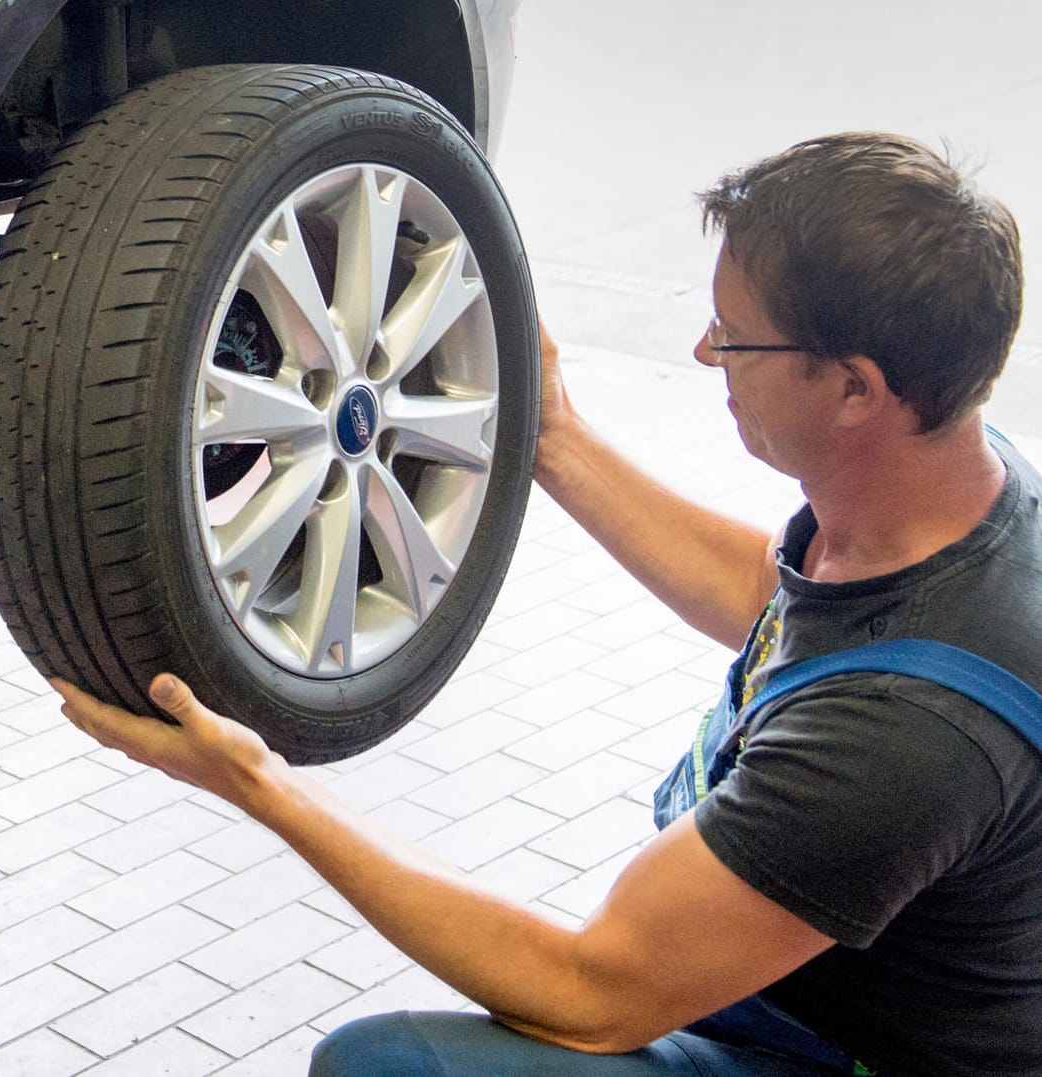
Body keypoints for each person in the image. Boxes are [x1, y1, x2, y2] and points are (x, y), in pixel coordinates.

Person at [51, 132, 1041, 1077]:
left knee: (380, 1066)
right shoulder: (954, 487)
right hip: (808, 981)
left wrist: (261, 784)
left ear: (857, 391)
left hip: (834, 1050)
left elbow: (589, 989)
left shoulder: (904, 742)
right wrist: (554, 440)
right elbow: (780, 604)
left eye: (735, 338)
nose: (703, 354)